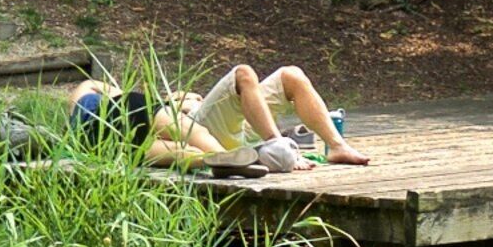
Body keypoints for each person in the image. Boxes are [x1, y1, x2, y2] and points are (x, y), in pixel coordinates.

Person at [65, 63, 372, 169]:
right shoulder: (97, 97)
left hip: (217, 128)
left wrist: (178, 99)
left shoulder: (91, 108)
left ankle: (336, 146)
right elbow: (96, 89)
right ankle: (273, 148)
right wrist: (174, 100)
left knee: (291, 75)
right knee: (242, 75)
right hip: (194, 127)